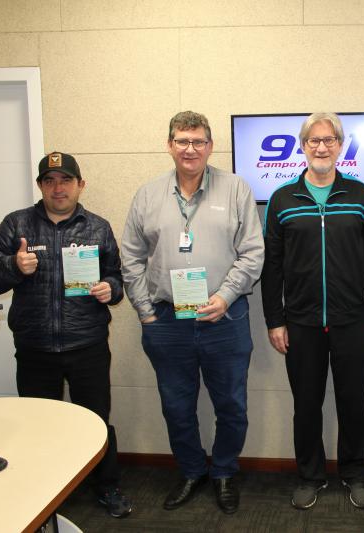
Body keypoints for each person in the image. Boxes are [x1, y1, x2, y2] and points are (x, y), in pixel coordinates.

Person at [121, 111, 264, 515]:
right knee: (176, 406)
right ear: (169, 145)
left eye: (198, 141)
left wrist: (225, 296)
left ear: (210, 146)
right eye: (182, 141)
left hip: (226, 320)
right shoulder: (148, 195)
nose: (190, 149)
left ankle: (222, 472)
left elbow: (253, 253)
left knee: (231, 406)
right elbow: (130, 256)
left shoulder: (236, 189)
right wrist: (146, 312)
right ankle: (189, 470)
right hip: (167, 322)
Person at [0, 152, 131, 518]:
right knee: (38, 423)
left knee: (96, 419)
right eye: (49, 181)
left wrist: (109, 289)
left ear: (80, 185)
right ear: (40, 186)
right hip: (35, 347)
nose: (58, 188)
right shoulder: (16, 224)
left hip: (87, 344)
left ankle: (106, 485)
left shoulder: (97, 227)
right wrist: (13, 266)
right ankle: (41, 490)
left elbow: (117, 277)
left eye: (66, 180)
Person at [261, 112, 364, 510]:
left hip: (352, 318)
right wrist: (274, 320)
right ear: (303, 147)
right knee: (306, 404)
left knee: (354, 403)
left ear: (339, 146)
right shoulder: (282, 199)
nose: (321, 147)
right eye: (313, 141)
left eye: (329, 140)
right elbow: (272, 268)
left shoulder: (361, 196)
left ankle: (355, 473)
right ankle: (310, 475)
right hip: (300, 323)